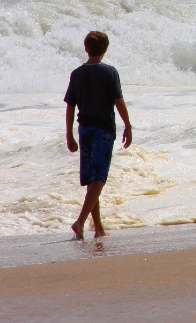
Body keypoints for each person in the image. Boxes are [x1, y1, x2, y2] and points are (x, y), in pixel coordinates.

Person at [64, 30, 132, 239]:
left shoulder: (77, 74)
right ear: (105, 49)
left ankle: (99, 229)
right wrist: (128, 125)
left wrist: (69, 134)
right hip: (103, 130)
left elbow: (70, 106)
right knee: (99, 178)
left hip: (84, 129)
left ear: (86, 48)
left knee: (93, 179)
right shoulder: (109, 72)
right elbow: (118, 101)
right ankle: (81, 221)